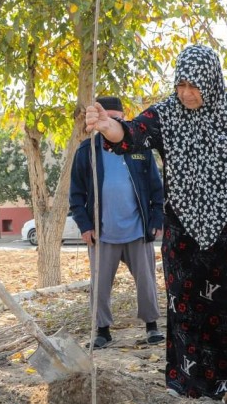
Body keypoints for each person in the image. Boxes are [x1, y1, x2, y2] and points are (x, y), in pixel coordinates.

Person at [85, 45, 227, 404]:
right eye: (181, 85)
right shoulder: (168, 114)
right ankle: (189, 378)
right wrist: (107, 126)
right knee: (186, 304)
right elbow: (132, 135)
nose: (186, 93)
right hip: (185, 232)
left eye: (194, 85)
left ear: (211, 81)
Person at [69, 96, 165, 349]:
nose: (111, 124)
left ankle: (152, 326)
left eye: (117, 119)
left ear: (124, 119)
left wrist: (156, 220)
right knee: (99, 286)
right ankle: (102, 330)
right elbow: (76, 194)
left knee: (146, 282)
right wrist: (84, 225)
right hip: (103, 233)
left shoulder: (140, 148)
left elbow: (157, 188)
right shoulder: (86, 150)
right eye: (106, 118)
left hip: (137, 230)